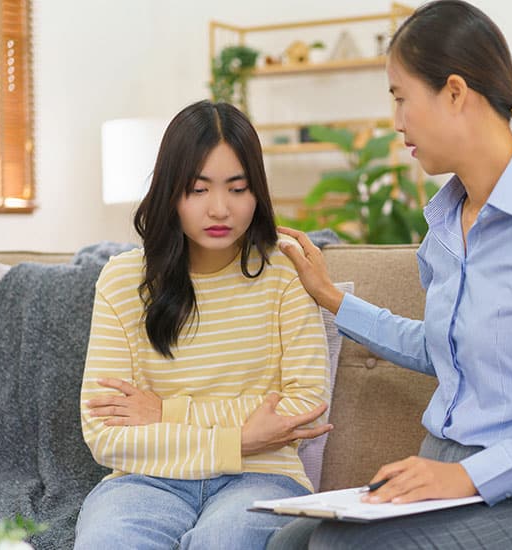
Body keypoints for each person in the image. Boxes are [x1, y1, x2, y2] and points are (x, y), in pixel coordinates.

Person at [270, 1, 512, 548]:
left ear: (455, 92)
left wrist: (470, 475)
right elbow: (445, 347)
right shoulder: (445, 224)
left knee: (335, 547)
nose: (395, 122)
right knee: (286, 541)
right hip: (440, 473)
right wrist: (330, 298)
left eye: (400, 97)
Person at [74, 99, 333, 550]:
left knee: (224, 541)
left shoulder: (284, 273)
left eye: (237, 188)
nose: (220, 209)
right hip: (147, 481)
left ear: (258, 192)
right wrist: (239, 439)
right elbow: (105, 433)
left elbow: (303, 406)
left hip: (263, 478)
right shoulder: (122, 280)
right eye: (198, 189)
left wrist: (166, 412)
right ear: (171, 191)